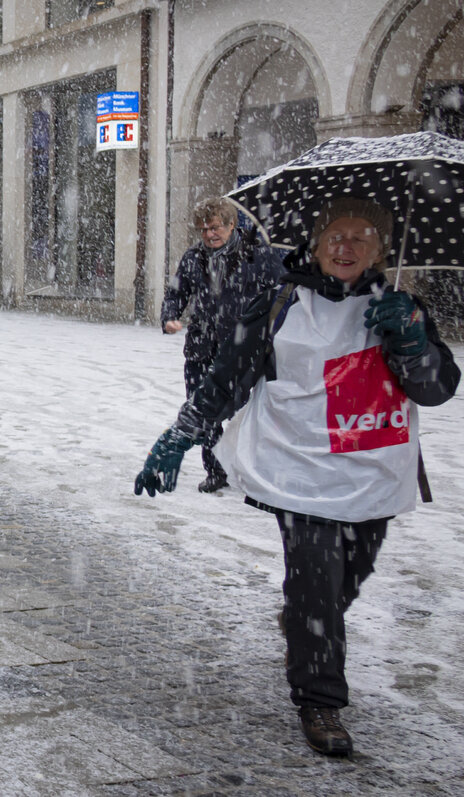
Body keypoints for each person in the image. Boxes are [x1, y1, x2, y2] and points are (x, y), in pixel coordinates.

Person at [135, 196, 458, 757]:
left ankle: (308, 622)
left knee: (349, 574)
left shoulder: (401, 308)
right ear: (316, 242)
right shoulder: (280, 301)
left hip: (371, 476)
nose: (346, 247)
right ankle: (319, 699)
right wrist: (181, 435)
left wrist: (412, 342)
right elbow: (228, 376)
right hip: (300, 472)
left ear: (380, 249)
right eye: (336, 235)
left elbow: (435, 389)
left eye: (362, 237)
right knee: (316, 580)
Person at [159, 197, 284, 493]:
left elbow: (283, 292)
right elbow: (176, 292)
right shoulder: (193, 258)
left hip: (243, 348)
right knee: (204, 411)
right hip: (201, 346)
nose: (209, 235)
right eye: (203, 229)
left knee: (249, 410)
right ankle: (216, 470)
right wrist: (169, 316)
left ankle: (256, 469)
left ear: (231, 225)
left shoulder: (258, 255)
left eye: (215, 228)